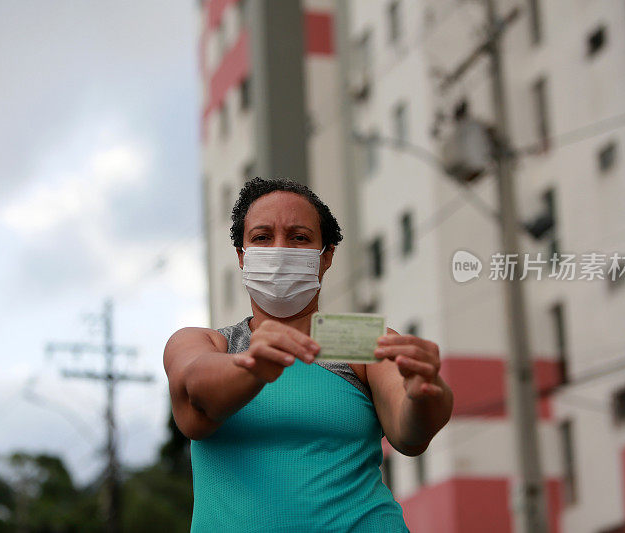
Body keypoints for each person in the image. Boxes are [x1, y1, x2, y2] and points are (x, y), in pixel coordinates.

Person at [164, 178, 453, 532]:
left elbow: (410, 433)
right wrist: (254, 366)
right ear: (242, 255)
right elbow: (197, 396)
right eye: (262, 237)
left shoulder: (361, 342)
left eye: (299, 237)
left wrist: (427, 392)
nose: (280, 249)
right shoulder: (208, 343)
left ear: (326, 255)